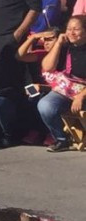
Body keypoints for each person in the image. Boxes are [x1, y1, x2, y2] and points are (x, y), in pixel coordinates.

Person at [37, 15, 86, 152]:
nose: (71, 32)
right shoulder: (66, 47)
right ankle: (62, 139)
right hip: (68, 89)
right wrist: (58, 43)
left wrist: (81, 96)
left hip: (83, 92)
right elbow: (47, 67)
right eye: (69, 29)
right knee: (45, 105)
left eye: (76, 29)